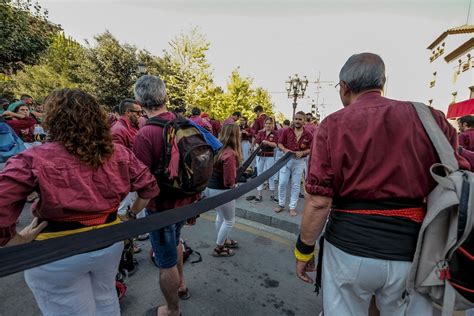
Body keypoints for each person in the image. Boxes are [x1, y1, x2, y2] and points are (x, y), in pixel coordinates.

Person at [295, 53, 470, 316]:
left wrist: (304, 249)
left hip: (347, 248)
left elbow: (319, 201)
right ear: (382, 83)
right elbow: (457, 173)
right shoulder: (430, 117)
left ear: (344, 87)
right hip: (413, 250)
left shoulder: (332, 124)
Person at [0, 88, 159, 315]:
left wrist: (16, 239)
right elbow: (149, 187)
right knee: (106, 299)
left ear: (53, 119)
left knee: (69, 307)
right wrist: (130, 215)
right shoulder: (119, 154)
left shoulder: (33, 159)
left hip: (56, 251)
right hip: (108, 242)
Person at [131, 75, 197, 316]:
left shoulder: (145, 134)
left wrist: (131, 213)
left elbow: (141, 182)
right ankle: (181, 284)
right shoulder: (186, 123)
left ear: (140, 102)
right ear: (165, 96)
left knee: (165, 261)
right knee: (177, 241)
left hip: (161, 208)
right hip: (186, 202)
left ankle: (171, 310)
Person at [205, 124, 241, 257]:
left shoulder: (217, 150)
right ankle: (219, 247)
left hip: (210, 188)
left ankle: (224, 240)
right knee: (229, 220)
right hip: (222, 190)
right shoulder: (230, 154)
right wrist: (234, 186)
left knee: (220, 216)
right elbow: (229, 181)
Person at [274, 111, 313, 216]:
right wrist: (285, 150)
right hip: (286, 160)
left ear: (304, 121)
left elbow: (311, 148)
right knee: (282, 183)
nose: (297, 121)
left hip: (299, 162)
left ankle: (292, 207)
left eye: (300, 119)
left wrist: (303, 152)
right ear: (293, 119)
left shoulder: (308, 134)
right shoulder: (287, 131)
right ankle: (281, 204)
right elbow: (279, 143)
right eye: (296, 119)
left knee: (295, 185)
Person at [254, 117, 277, 202]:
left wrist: (267, 142)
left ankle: (272, 194)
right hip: (260, 156)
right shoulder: (261, 132)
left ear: (272, 124)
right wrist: (257, 147)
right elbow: (257, 142)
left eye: (270, 123)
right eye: (266, 123)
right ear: (264, 124)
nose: (268, 125)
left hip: (269, 156)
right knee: (259, 174)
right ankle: (259, 194)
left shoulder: (275, 133)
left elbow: (275, 144)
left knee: (270, 174)